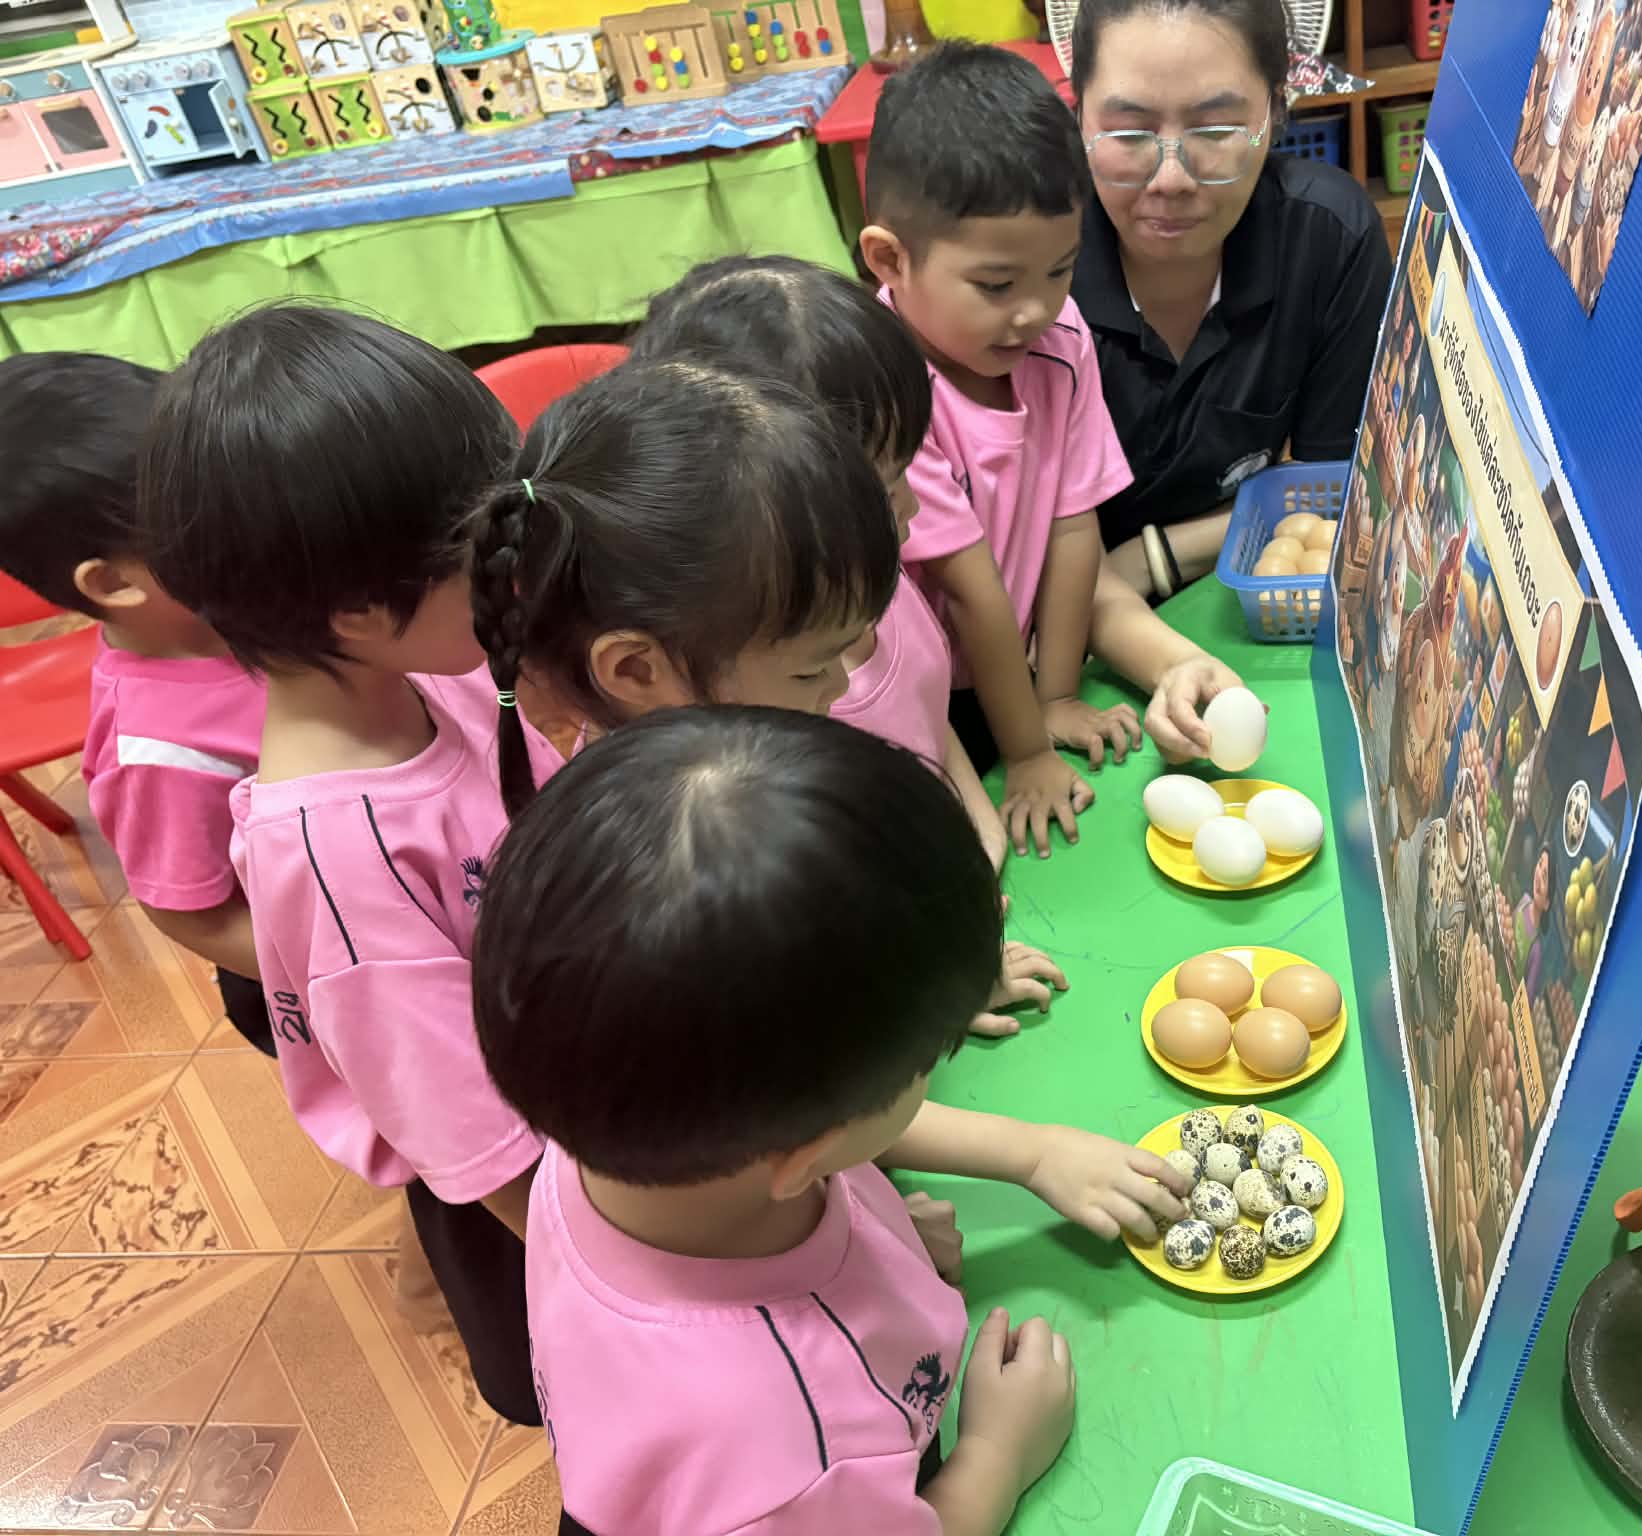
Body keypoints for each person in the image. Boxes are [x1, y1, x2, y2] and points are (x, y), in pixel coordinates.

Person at [474, 706, 1194, 1535]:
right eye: (924, 1061)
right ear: (808, 1154)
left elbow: (831, 1123)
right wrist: (996, 1453)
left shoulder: (608, 1115)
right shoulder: (786, 1456)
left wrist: (992, 1176)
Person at [138, 304, 553, 1425]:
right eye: (489, 557)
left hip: (566, 1078)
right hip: (526, 1193)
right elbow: (479, 1148)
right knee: (573, 1383)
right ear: (362, 614)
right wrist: (670, 1276)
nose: (517, 574)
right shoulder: (338, 858)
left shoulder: (436, 664)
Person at [471, 352, 1067, 1038]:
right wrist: (917, 1004)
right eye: (812, 672)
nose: (841, 688)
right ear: (635, 670)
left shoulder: (744, 760)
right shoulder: (659, 886)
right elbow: (782, 1068)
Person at [629, 255, 1008, 871]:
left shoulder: (868, 577)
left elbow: (926, 715)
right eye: (884, 490)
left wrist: (981, 831)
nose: (913, 506)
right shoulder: (754, 685)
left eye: (906, 471)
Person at [860, 43, 1143, 857]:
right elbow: (968, 585)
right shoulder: (882, 386)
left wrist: (1056, 696)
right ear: (890, 259)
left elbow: (1072, 522)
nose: (1034, 311)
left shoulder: (1061, 340)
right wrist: (1026, 752)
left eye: (1060, 270)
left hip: (1013, 672)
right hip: (916, 711)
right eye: (995, 286)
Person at [1068, 0, 1395, 597]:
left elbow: (1330, 491)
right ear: (1078, 115)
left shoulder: (1326, 239)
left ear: (1275, 110)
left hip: (1236, 589)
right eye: (1129, 132)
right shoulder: (1032, 264)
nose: (1170, 179)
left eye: (1216, 130)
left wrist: (1150, 558)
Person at [0, 352, 274, 1058]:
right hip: (311, 970)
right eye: (218, 516)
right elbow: (189, 913)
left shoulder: (243, 605)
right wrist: (343, 971)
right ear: (114, 583)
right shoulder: (160, 750)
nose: (259, 516)